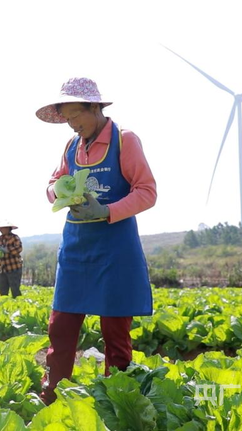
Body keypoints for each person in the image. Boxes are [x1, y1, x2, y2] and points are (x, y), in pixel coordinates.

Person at [35, 77, 156, 404]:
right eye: (67, 119)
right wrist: (57, 191)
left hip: (115, 250)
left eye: (76, 115)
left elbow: (147, 192)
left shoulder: (125, 141)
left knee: (115, 334)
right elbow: (54, 181)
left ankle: (117, 403)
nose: (73, 124)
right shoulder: (71, 146)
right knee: (61, 329)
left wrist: (106, 210)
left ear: (95, 107)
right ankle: (51, 398)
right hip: (76, 249)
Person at [0, 222, 23, 298]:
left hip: (14, 267)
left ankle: (18, 303)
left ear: (8, 228)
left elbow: (19, 248)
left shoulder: (14, 237)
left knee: (15, 290)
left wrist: (7, 250)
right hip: (2, 268)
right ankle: (4, 304)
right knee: (2, 291)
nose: (0, 230)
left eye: (2, 228)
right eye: (0, 229)